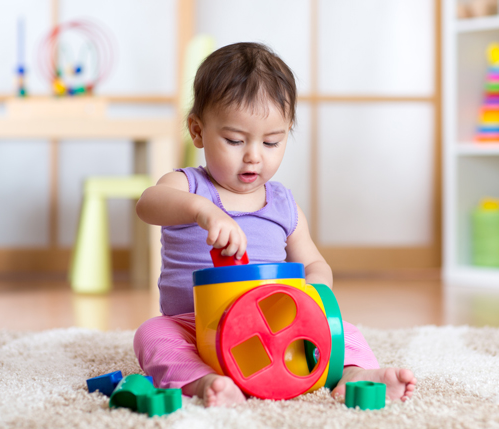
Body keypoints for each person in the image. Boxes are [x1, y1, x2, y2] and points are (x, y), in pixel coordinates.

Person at [134, 42, 416, 407]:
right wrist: (202, 211)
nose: (253, 155)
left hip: (273, 328)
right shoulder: (187, 186)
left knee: (344, 331)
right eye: (235, 140)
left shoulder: (283, 204)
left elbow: (314, 263)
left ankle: (353, 374)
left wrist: (313, 294)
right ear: (198, 131)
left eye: (271, 142)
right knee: (152, 334)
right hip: (195, 325)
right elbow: (148, 205)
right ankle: (205, 382)